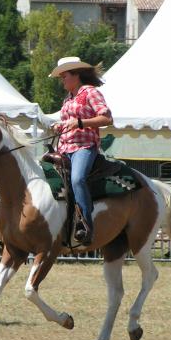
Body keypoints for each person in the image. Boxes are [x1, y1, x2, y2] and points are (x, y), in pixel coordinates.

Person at [50, 56, 113, 245]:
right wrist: (60, 126)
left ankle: (86, 224)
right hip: (64, 147)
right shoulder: (68, 99)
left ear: (76, 75)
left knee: (78, 179)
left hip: (84, 147)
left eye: (65, 76)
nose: (62, 80)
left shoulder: (90, 92)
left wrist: (79, 122)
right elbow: (69, 123)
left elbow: (107, 118)